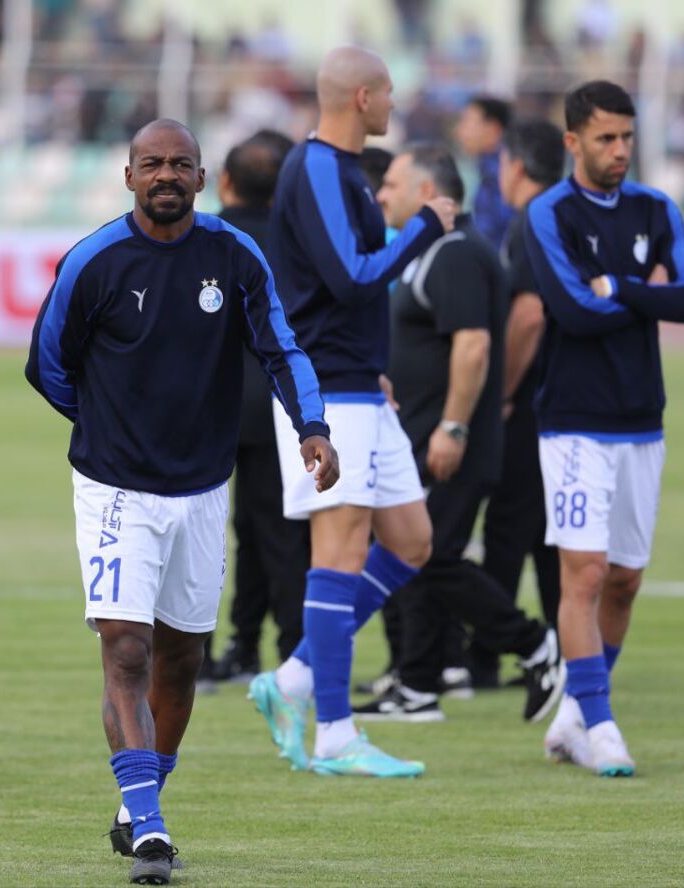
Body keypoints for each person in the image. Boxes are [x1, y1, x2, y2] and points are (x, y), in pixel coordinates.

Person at [25, 118, 338, 884]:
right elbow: (47, 363)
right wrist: (105, 424)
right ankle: (154, 830)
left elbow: (281, 346)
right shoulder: (94, 260)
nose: (166, 174)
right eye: (152, 163)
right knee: (125, 649)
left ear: (202, 180)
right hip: (112, 487)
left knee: (181, 658)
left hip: (202, 489)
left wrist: (314, 427)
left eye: (181, 164)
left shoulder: (233, 255)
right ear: (128, 175)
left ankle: (136, 805)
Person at [247, 45, 457, 779]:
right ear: (362, 97)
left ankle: (296, 679)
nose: (396, 104)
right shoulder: (318, 169)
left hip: (361, 383)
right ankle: (334, 732)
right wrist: (426, 228)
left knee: (412, 540)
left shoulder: (342, 174)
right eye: (390, 93)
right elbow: (351, 276)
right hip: (326, 392)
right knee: (338, 554)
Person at [523, 80, 684, 776]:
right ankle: (601, 726)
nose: (620, 150)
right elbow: (571, 310)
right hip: (572, 422)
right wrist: (638, 297)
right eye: (605, 138)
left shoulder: (657, 209)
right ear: (573, 141)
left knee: (625, 580)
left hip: (642, 420)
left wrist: (621, 288)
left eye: (627, 137)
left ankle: (572, 715)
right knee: (586, 572)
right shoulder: (547, 213)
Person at [354, 144, 563, 723]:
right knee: (411, 553)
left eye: (392, 184)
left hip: (452, 443)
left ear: (426, 191)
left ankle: (532, 644)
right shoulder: (429, 251)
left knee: (434, 554)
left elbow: (474, 344)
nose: (381, 195)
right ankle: (418, 684)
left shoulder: (457, 253)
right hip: (421, 439)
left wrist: (453, 426)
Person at [208, 129, 311, 685]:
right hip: (279, 406)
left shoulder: (204, 238)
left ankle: (213, 650)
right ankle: (293, 652)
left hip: (210, 406)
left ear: (224, 182)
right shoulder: (298, 240)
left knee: (198, 532)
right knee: (279, 533)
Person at [471, 119, 567, 688]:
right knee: (543, 534)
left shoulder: (532, 220)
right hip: (563, 397)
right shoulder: (563, 214)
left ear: (516, 165)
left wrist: (501, 395)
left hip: (533, 399)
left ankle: (486, 654)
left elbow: (529, 315)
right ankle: (566, 648)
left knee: (508, 528)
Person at [455, 95, 516, 248]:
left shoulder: (501, 176)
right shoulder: (487, 170)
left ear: (493, 128)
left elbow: (492, 236)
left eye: (467, 122)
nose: (459, 132)